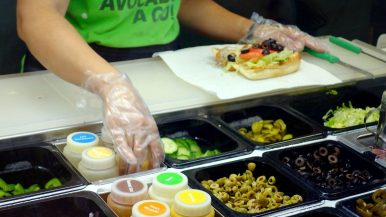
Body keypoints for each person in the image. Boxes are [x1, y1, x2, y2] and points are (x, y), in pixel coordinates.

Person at [16, 0, 325, 175]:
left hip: (161, 71)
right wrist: (110, 84)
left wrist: (255, 31)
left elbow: (186, 3)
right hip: (73, 77)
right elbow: (36, 17)